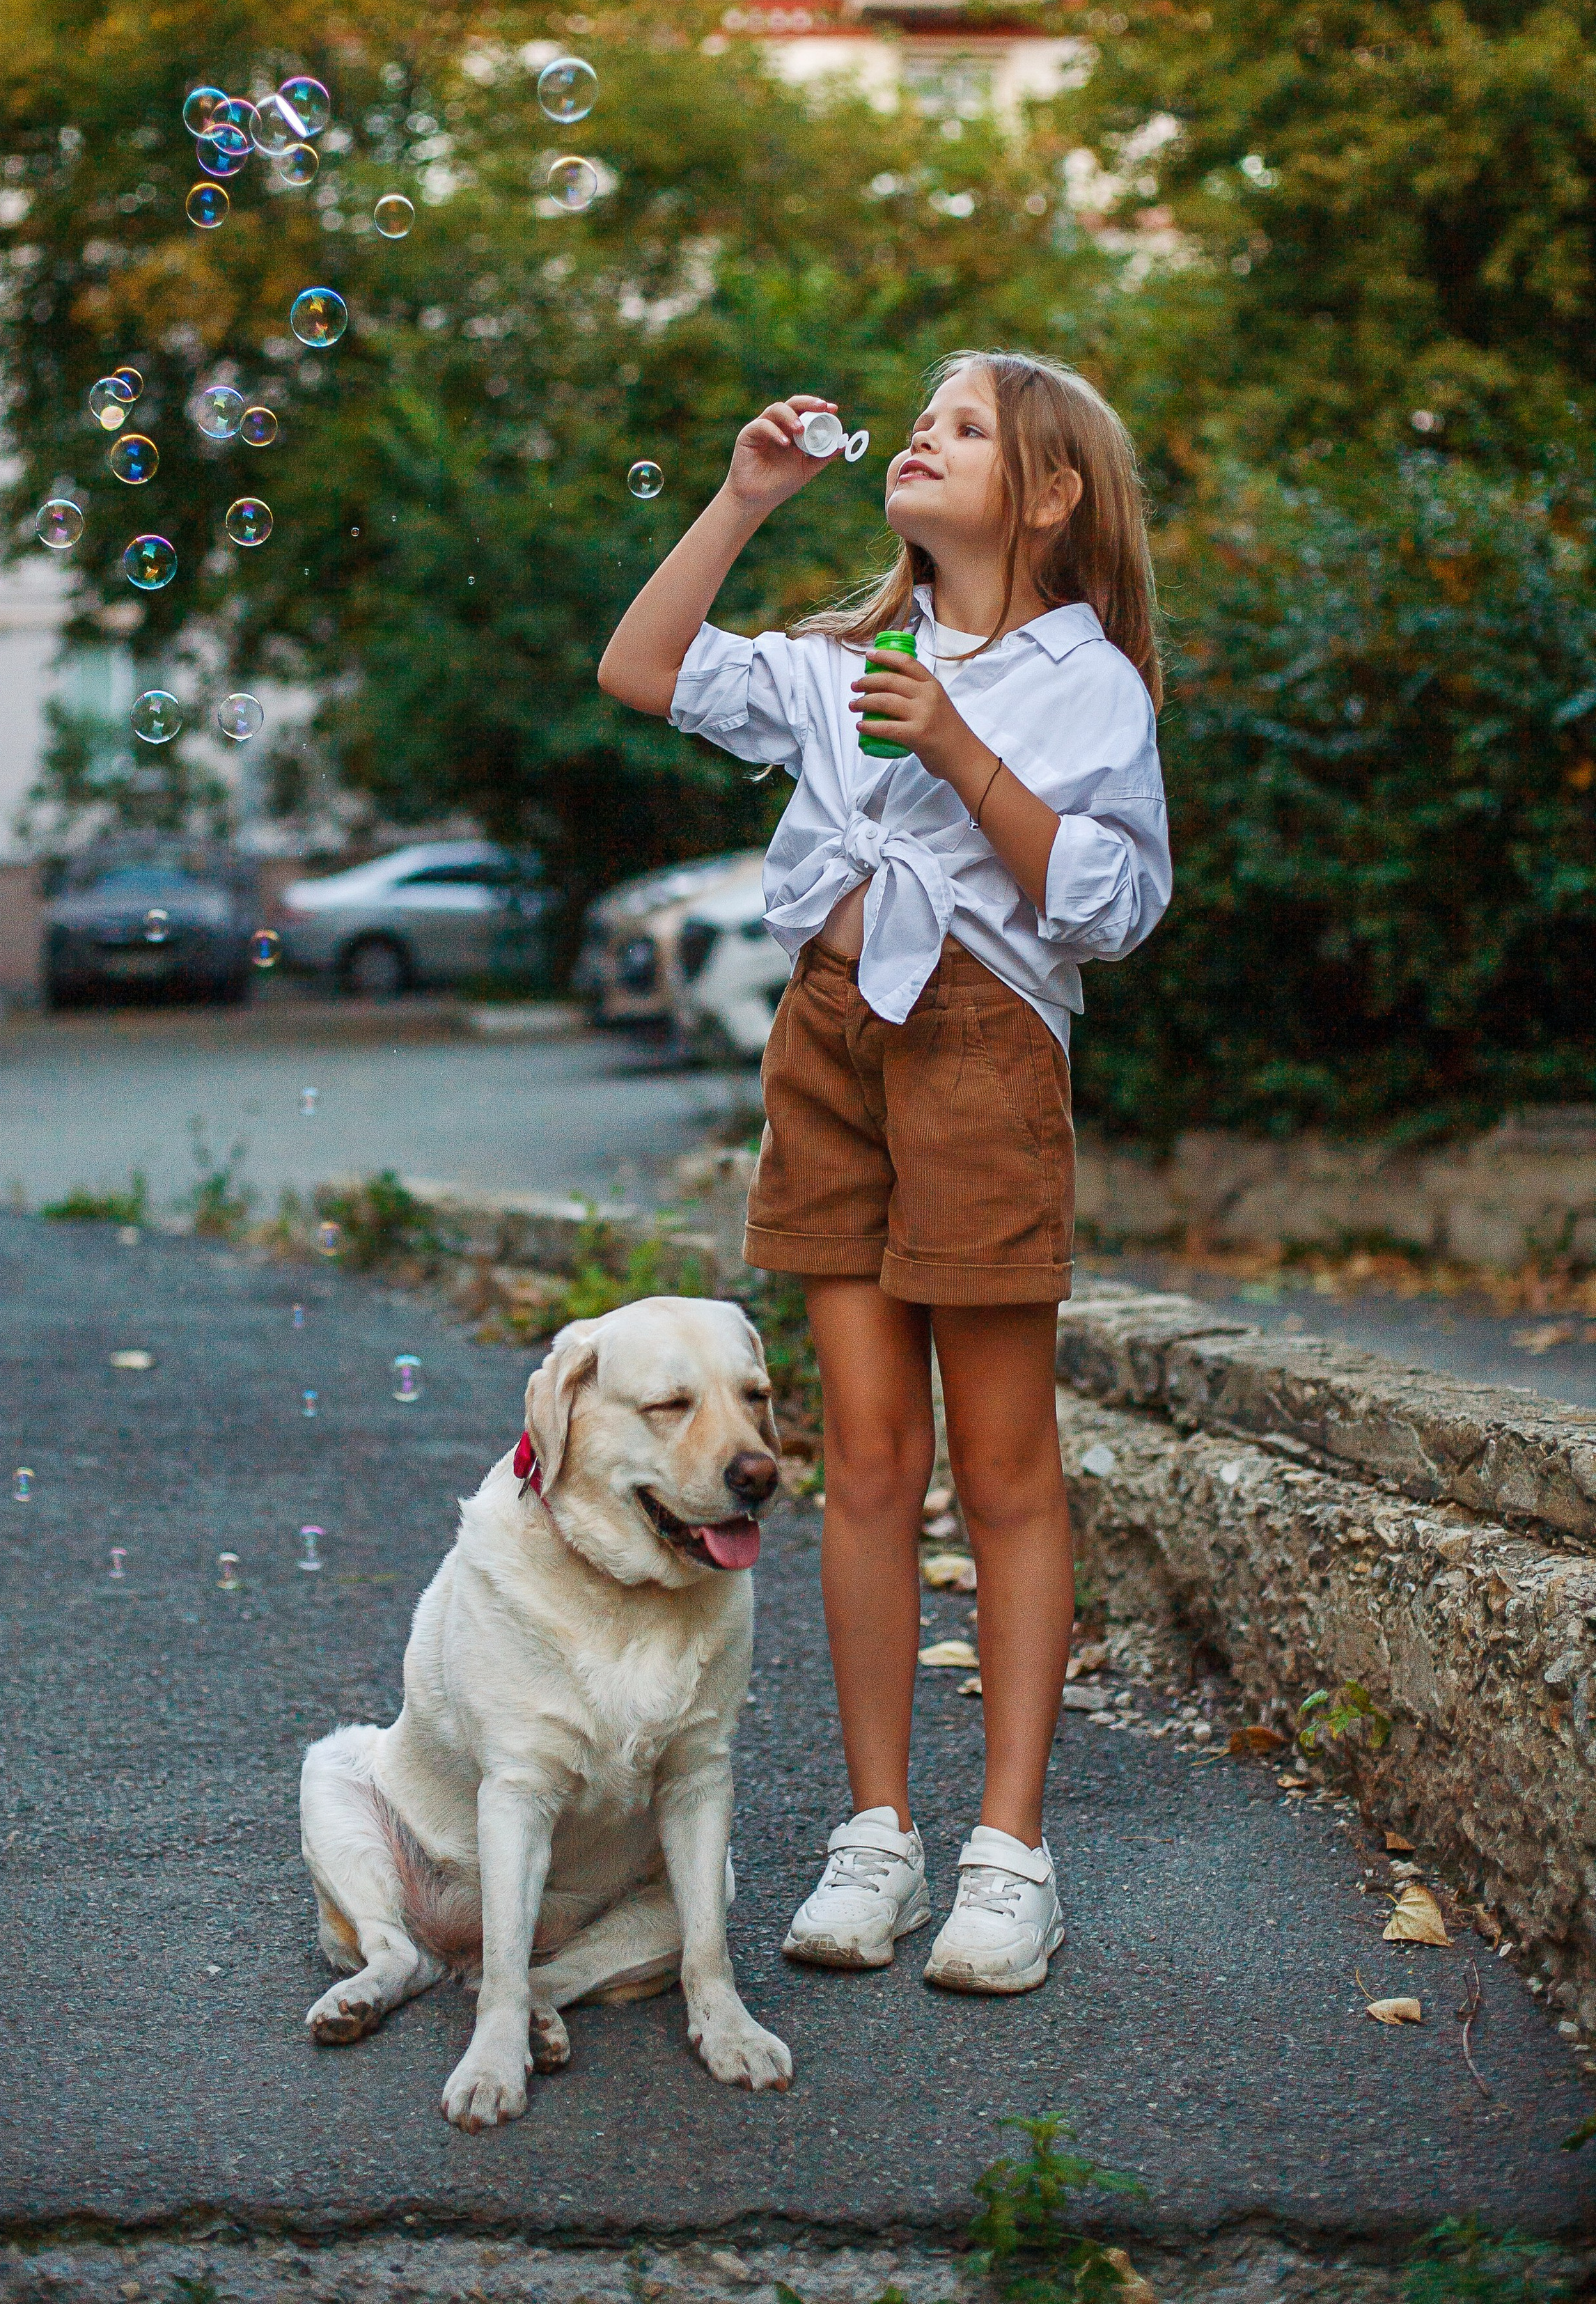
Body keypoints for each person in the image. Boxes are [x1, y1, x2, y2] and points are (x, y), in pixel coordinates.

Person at [597, 351, 1170, 1996]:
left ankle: (1008, 1855)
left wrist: (964, 747)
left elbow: (1113, 909)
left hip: (984, 1061)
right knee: (855, 1452)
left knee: (1000, 1469)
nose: (921, 435)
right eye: (918, 418)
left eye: (965, 425)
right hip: (830, 1044)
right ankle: (876, 1835)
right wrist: (742, 499)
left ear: (1049, 496)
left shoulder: (1086, 684)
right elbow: (640, 667)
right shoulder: (844, 654)